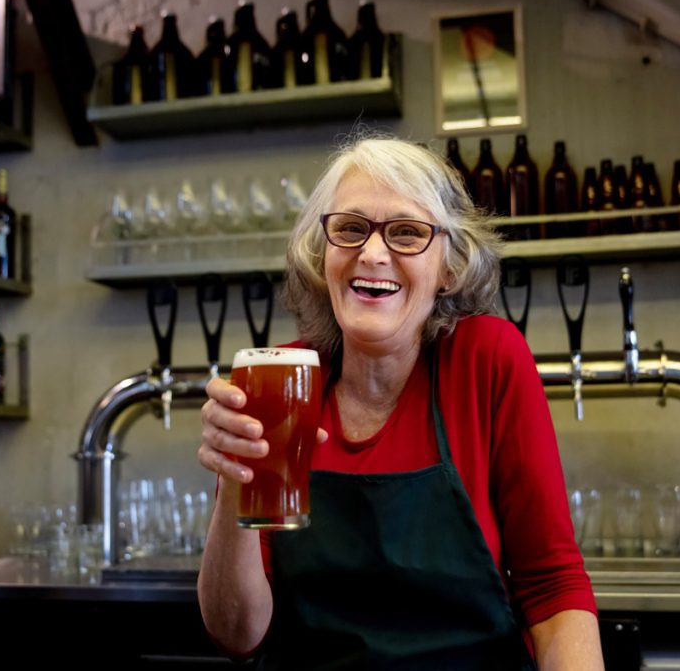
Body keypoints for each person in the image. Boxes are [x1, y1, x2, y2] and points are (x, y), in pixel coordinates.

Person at [197, 136, 604, 670]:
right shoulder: (282, 381)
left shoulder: (487, 360)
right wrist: (235, 483)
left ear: (449, 268)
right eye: (349, 228)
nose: (372, 253)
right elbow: (238, 634)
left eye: (407, 232)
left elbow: (552, 587)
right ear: (323, 257)